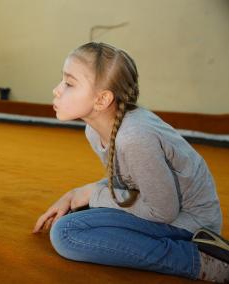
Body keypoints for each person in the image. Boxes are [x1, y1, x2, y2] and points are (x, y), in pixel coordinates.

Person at [32, 42, 228, 283]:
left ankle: (200, 260)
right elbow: (128, 181)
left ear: (102, 99)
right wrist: (76, 195)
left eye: (69, 84)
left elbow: (163, 211)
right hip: (162, 205)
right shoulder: (94, 131)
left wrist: (93, 193)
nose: (56, 90)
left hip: (190, 220)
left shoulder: (134, 137)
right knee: (78, 212)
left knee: (67, 234)